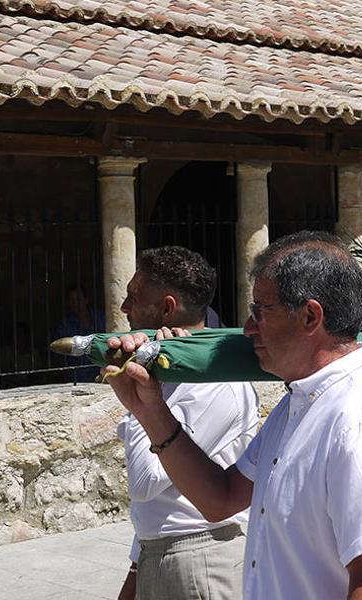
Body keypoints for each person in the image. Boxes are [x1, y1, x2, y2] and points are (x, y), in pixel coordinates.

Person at [104, 232, 362, 599]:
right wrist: (149, 409)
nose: (248, 328)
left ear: (310, 315)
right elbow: (221, 499)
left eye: (260, 311)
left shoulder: (359, 419)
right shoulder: (300, 403)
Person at [115, 247, 259, 600]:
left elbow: (145, 482)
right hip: (160, 555)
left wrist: (141, 404)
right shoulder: (169, 372)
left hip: (200, 560)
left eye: (134, 297)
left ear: (166, 308)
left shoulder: (217, 382)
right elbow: (161, 503)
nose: (123, 308)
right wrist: (136, 571)